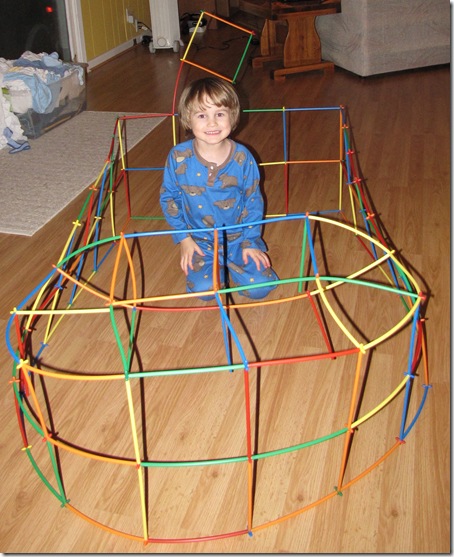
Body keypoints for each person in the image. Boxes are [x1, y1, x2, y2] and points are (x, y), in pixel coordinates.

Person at [160, 77, 278, 300]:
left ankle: (231, 269)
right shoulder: (178, 156)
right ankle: (217, 273)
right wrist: (184, 239)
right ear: (188, 118)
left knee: (261, 288)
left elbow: (253, 201)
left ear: (232, 116)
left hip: (238, 239)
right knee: (206, 291)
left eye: (220, 114)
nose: (212, 123)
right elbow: (169, 199)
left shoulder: (243, 157)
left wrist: (250, 242)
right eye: (202, 115)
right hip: (199, 241)